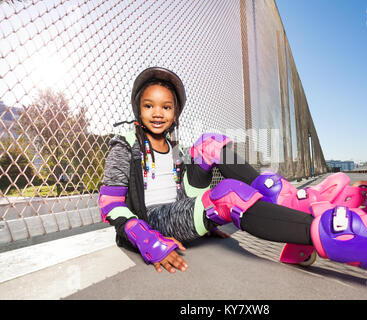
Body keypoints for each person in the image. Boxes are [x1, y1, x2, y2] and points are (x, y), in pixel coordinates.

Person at [99, 67, 317, 274]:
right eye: (149, 106)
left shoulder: (174, 149)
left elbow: (184, 188)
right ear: (138, 109)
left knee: (209, 144)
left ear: (175, 114)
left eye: (166, 107)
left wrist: (203, 221)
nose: (157, 113)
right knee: (229, 196)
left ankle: (278, 198)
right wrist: (145, 239)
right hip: (152, 220)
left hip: (178, 205)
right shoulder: (125, 146)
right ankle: (321, 233)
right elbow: (110, 204)